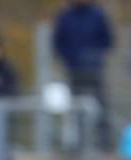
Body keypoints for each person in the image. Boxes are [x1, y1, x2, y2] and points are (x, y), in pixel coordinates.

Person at [53, 0, 114, 149]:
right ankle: (78, 144)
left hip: (94, 70)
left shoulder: (98, 14)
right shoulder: (65, 16)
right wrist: (69, 58)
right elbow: (58, 41)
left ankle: (104, 143)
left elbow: (107, 39)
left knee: (101, 107)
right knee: (75, 108)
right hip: (73, 70)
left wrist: (95, 56)